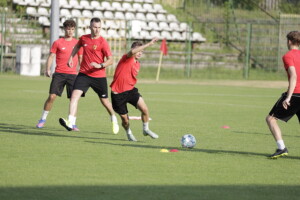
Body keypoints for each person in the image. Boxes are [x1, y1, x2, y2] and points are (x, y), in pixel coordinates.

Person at [59, 17, 119, 134]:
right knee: (74, 96)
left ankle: (113, 117)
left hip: (99, 76)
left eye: (99, 27)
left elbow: (111, 60)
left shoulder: (103, 42)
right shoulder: (84, 38)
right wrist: (71, 57)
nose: (97, 30)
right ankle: (70, 121)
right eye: (95, 27)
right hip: (84, 75)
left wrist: (100, 65)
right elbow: (77, 46)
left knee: (105, 101)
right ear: (90, 27)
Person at [36, 19, 83, 130]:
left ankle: (73, 123)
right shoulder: (58, 42)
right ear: (64, 29)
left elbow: (81, 58)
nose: (70, 31)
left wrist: (81, 71)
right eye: (68, 29)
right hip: (59, 74)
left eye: (72, 29)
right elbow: (51, 56)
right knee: (52, 97)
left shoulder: (77, 43)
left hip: (73, 75)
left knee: (73, 99)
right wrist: (47, 69)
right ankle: (42, 119)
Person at [110, 38, 159, 141]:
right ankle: (128, 133)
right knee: (125, 120)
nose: (140, 53)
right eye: (138, 50)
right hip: (118, 94)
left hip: (131, 90)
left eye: (142, 51)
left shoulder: (137, 64)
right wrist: (149, 44)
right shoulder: (127, 58)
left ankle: (146, 129)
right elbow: (132, 52)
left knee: (145, 109)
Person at [266, 31, 300, 159]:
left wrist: (288, 97)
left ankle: (281, 148)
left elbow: (294, 76)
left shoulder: (288, 56)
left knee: (271, 119)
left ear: (289, 41)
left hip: (296, 94)